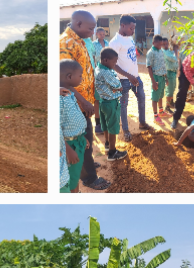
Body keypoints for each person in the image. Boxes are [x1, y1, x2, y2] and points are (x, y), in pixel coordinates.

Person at [60, 10, 111, 191]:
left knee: (86, 139)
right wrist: (83, 101)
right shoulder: (66, 44)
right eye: (90, 29)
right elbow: (63, 80)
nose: (93, 32)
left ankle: (86, 163)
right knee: (81, 139)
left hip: (82, 103)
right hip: (75, 104)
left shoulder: (81, 41)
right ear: (79, 24)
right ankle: (88, 177)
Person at [109, 15, 153, 141]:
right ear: (123, 25)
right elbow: (113, 64)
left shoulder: (130, 38)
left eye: (134, 28)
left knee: (142, 98)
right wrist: (128, 76)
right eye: (131, 28)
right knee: (124, 104)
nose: (133, 31)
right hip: (123, 80)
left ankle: (142, 123)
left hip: (136, 78)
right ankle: (126, 131)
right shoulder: (115, 42)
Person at [60, 59, 89, 193]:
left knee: (75, 174)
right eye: (80, 76)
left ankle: (76, 192)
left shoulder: (69, 93)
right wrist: (68, 150)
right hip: (69, 146)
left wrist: (82, 138)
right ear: (69, 77)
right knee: (71, 178)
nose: (82, 78)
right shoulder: (59, 98)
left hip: (77, 141)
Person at [95, 48, 128, 161]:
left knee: (105, 124)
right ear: (105, 60)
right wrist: (118, 88)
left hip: (102, 101)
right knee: (113, 127)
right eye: (114, 62)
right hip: (111, 103)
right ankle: (112, 153)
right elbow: (118, 85)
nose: (115, 64)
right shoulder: (106, 72)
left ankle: (108, 144)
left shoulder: (98, 68)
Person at [146, 34, 169, 126]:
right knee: (155, 97)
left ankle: (161, 111)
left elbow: (164, 65)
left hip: (162, 76)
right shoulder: (150, 53)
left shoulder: (161, 51)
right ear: (153, 43)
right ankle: (156, 116)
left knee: (160, 95)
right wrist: (153, 81)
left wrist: (166, 77)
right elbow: (149, 67)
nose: (160, 46)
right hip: (156, 77)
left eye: (161, 44)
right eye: (159, 44)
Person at [92, 27, 108, 133]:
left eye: (104, 34)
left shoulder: (107, 43)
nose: (102, 35)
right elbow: (93, 59)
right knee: (97, 100)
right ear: (97, 34)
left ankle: (105, 122)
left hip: (107, 73)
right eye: (100, 34)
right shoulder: (93, 44)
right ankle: (98, 124)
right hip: (98, 74)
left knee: (106, 98)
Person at [162, 37, 179, 114]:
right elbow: (174, 59)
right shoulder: (164, 52)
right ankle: (167, 107)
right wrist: (175, 50)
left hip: (173, 72)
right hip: (168, 72)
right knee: (169, 91)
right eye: (164, 44)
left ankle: (171, 102)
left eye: (167, 44)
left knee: (172, 88)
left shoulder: (168, 50)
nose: (165, 45)